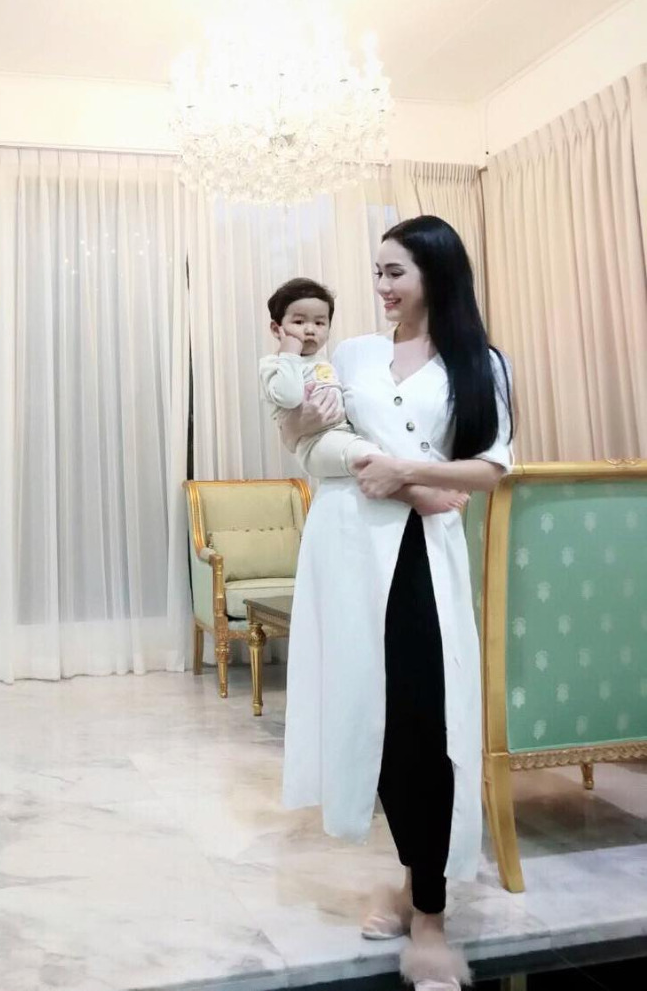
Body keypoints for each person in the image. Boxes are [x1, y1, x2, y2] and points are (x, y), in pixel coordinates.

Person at [279, 216, 514, 991]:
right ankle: (411, 881)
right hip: (346, 552)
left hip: (423, 558)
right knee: (370, 720)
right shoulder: (351, 355)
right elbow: (306, 448)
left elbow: (491, 468)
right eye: (376, 272)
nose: (380, 287)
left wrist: (409, 476)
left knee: (426, 723)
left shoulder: (480, 365)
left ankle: (431, 919)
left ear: (435, 274)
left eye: (394, 273)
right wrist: (305, 419)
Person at [261, 277, 468, 517]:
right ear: (276, 329)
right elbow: (288, 396)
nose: (310, 329)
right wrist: (289, 354)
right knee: (369, 458)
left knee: (378, 455)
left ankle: (420, 486)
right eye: (299, 322)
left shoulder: (325, 361)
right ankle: (415, 495)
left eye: (319, 323)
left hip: (342, 435)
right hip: (316, 443)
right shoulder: (273, 365)